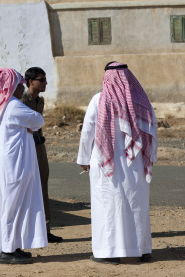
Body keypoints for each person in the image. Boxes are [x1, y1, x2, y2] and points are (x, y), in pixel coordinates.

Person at [77, 62, 158, 265]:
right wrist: (151, 157)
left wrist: (83, 159)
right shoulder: (141, 101)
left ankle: (107, 253)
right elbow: (152, 130)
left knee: (108, 207)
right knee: (136, 204)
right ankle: (141, 250)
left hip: (106, 165)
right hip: (135, 163)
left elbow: (87, 132)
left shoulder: (98, 100)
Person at [0, 68, 47, 265]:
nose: (22, 88)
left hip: (7, 162)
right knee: (11, 206)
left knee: (13, 205)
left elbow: (33, 123)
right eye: (19, 85)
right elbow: (38, 120)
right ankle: (8, 252)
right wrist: (30, 125)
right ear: (10, 87)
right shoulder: (12, 106)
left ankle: (13, 246)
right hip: (13, 164)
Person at [21, 67, 63, 243]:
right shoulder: (22, 100)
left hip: (39, 146)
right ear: (31, 81)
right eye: (42, 79)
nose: (45, 82)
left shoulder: (40, 101)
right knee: (28, 187)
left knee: (43, 185)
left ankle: (45, 229)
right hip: (26, 147)